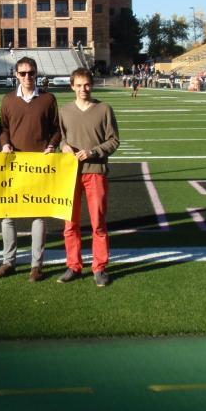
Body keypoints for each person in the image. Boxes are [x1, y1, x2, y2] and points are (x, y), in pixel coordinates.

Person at [0, 56, 61, 283]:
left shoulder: (48, 99)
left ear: (37, 73)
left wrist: (51, 145)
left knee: (37, 215)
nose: (27, 77)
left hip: (39, 166)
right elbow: (4, 128)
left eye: (31, 73)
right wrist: (6, 143)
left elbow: (56, 129)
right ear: (15, 75)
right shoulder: (8, 100)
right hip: (14, 165)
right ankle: (8, 261)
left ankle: (36, 265)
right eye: (23, 73)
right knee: (8, 216)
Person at [57, 67, 120, 287]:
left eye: (87, 85)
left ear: (91, 85)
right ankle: (73, 265)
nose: (83, 89)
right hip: (70, 174)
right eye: (79, 85)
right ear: (72, 86)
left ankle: (99, 267)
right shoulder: (64, 111)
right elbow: (60, 138)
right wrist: (64, 146)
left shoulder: (104, 109)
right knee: (70, 223)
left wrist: (92, 152)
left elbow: (113, 141)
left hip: (96, 171)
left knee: (98, 223)